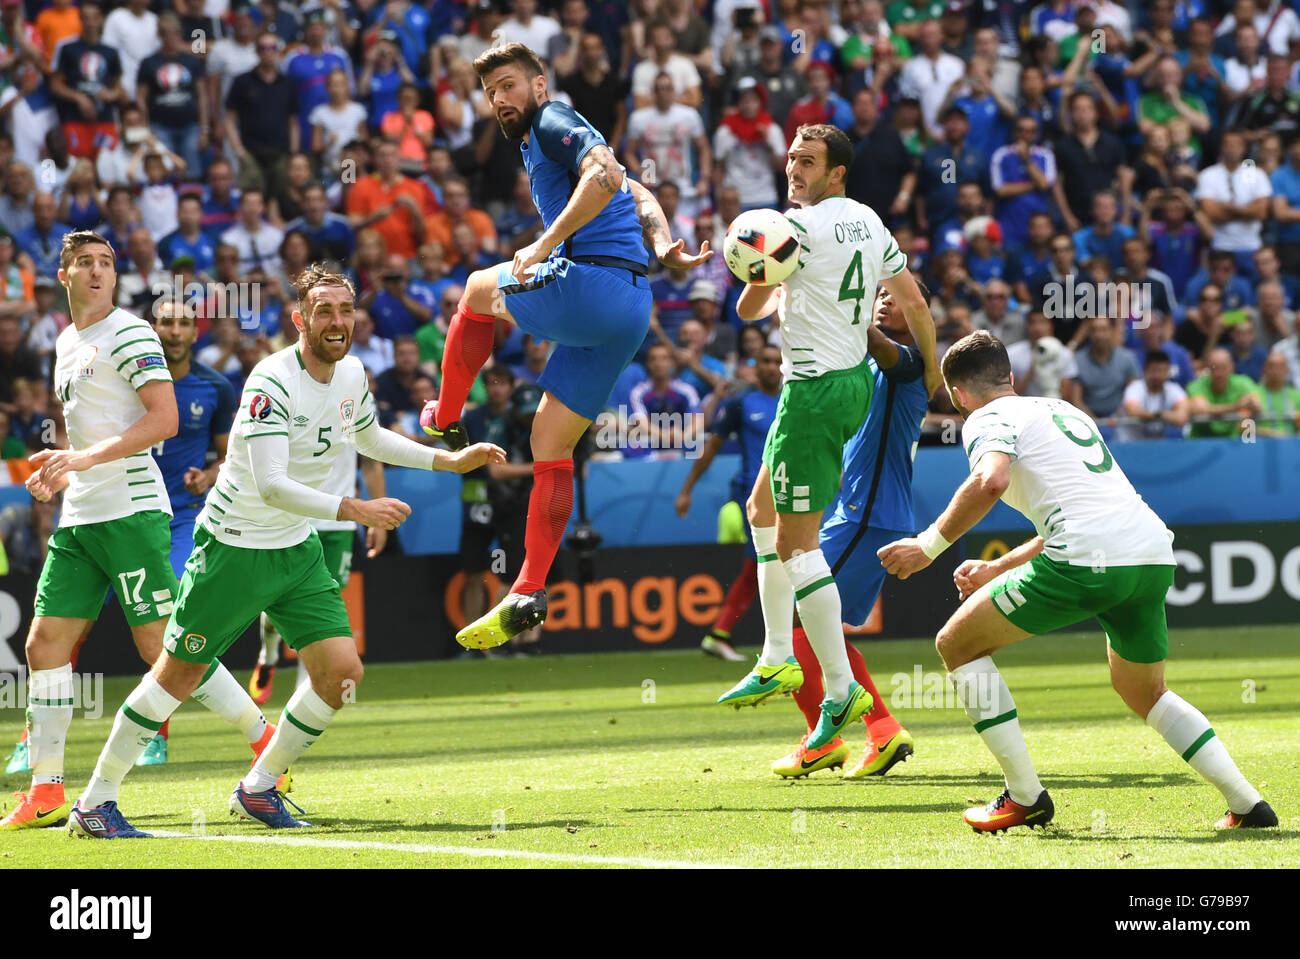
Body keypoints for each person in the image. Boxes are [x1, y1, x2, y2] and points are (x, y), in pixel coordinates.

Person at [68, 266, 505, 837]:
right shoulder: (270, 380)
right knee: (176, 674)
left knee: (341, 673)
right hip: (235, 547)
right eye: (324, 311)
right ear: (300, 319)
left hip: (295, 547)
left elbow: (368, 436)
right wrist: (353, 508)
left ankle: (259, 787)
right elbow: (270, 483)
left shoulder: (351, 373)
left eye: (346, 310)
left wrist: (445, 460)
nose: (337, 321)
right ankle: (96, 803)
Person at [877, 330, 1277, 833]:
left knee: (957, 644)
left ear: (957, 395)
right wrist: (998, 568)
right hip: (1150, 553)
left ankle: (1024, 797)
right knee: (1145, 691)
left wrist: (927, 546)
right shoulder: (1064, 410)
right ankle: (1247, 804)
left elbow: (990, 480)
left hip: (1087, 558)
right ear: (1012, 377)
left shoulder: (986, 418)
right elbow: (1086, 512)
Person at [422, 42, 709, 649]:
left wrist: (546, 241)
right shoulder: (548, 135)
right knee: (549, 442)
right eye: (491, 92)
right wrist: (661, 244)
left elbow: (603, 177)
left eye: (508, 86)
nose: (500, 100)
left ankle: (446, 419)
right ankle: (527, 588)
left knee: (476, 288)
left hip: (592, 284)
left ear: (539, 84)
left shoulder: (555, 120)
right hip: (630, 309)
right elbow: (633, 189)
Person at [0, 232, 274, 830]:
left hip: (130, 511)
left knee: (163, 648)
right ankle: (45, 790)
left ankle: (264, 743)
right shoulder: (67, 341)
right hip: (82, 515)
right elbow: (86, 432)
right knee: (44, 646)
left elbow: (164, 420)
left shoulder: (129, 332)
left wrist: (80, 462)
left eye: (107, 263)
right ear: (64, 275)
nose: (99, 272)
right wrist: (57, 471)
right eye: (86, 264)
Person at [715, 123, 938, 758]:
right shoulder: (869, 221)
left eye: (808, 161)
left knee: (794, 545)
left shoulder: (797, 229)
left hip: (812, 393)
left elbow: (746, 311)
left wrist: (761, 266)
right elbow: (915, 306)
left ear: (836, 172)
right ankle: (777, 654)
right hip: (846, 386)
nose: (794, 169)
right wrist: (928, 368)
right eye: (791, 158)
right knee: (761, 511)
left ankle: (838, 688)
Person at [766, 284, 930, 779]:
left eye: (896, 294)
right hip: (857, 513)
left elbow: (872, 339)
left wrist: (830, 299)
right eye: (878, 293)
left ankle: (827, 740)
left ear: (920, 309)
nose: (883, 299)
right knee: (815, 630)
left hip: (869, 515)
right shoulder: (865, 366)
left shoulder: (913, 362)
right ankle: (881, 731)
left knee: (794, 626)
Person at [675, 344, 783, 663]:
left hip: (790, 494)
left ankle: (721, 634)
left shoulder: (795, 398)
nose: (771, 367)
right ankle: (783, 641)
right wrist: (687, 489)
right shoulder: (740, 403)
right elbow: (712, 447)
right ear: (755, 365)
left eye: (777, 361)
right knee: (771, 564)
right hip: (753, 495)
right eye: (765, 360)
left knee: (761, 567)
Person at [1186, 347, 1262, 438]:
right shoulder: (1196, 385)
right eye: (1214, 368)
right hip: (1201, 443)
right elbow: (1200, 409)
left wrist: (1252, 405)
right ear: (1208, 368)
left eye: (1223, 368)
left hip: (1233, 443)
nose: (1219, 373)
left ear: (1232, 367)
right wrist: (1236, 407)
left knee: (1249, 427)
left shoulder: (1244, 382)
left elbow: (1258, 406)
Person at [1118, 349, 1191, 441]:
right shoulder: (1134, 388)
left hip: (1155, 444)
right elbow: (1133, 411)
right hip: (1128, 442)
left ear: (1168, 372)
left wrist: (1160, 415)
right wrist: (1163, 416)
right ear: (1145, 371)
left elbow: (1182, 416)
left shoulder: (1174, 389)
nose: (1158, 376)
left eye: (1162, 371)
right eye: (1154, 371)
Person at [1256, 351, 1300, 436]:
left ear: (1286, 370)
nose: (1275, 371)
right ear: (1264, 368)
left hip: (1291, 445)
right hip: (1261, 445)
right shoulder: (1253, 394)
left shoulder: (1297, 396)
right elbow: (1243, 428)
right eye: (1271, 366)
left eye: (1280, 367)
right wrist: (1274, 434)